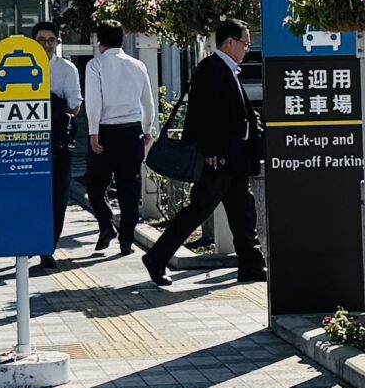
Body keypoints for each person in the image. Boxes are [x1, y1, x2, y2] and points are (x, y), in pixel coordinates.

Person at [142, 24, 266, 287]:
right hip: (218, 158)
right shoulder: (211, 69)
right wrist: (210, 150)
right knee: (199, 209)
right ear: (229, 42)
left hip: (235, 157)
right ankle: (157, 256)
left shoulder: (228, 69)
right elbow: (200, 113)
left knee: (243, 211)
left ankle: (252, 265)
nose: (247, 48)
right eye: (245, 43)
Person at [82, 22, 158, 255]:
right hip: (132, 132)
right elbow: (148, 100)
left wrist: (93, 132)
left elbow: (93, 100)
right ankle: (127, 239)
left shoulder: (95, 65)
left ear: (100, 42)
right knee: (129, 189)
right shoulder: (137, 65)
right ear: (122, 40)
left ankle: (106, 225)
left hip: (105, 131)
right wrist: (148, 128)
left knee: (95, 184)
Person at [32, 21, 81, 269]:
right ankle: (33, 240)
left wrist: (51, 106)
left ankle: (48, 246)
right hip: (28, 140)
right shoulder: (22, 65)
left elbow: (75, 106)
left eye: (51, 40)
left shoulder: (67, 69)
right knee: (33, 193)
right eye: (41, 40)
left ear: (57, 42)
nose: (46, 45)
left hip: (58, 139)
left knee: (58, 194)